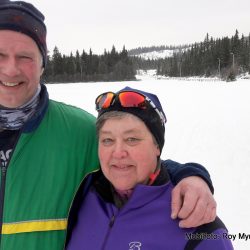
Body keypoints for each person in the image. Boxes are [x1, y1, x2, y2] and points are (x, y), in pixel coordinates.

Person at [0, 1, 216, 249]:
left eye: (25, 56)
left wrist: (191, 176)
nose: (10, 69)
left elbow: (134, 162)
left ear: (42, 64)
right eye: (0, 55)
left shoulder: (77, 131)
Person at [66, 87, 233, 250]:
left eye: (131, 139)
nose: (117, 153)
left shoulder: (199, 226)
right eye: (107, 140)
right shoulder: (81, 193)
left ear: (157, 147)